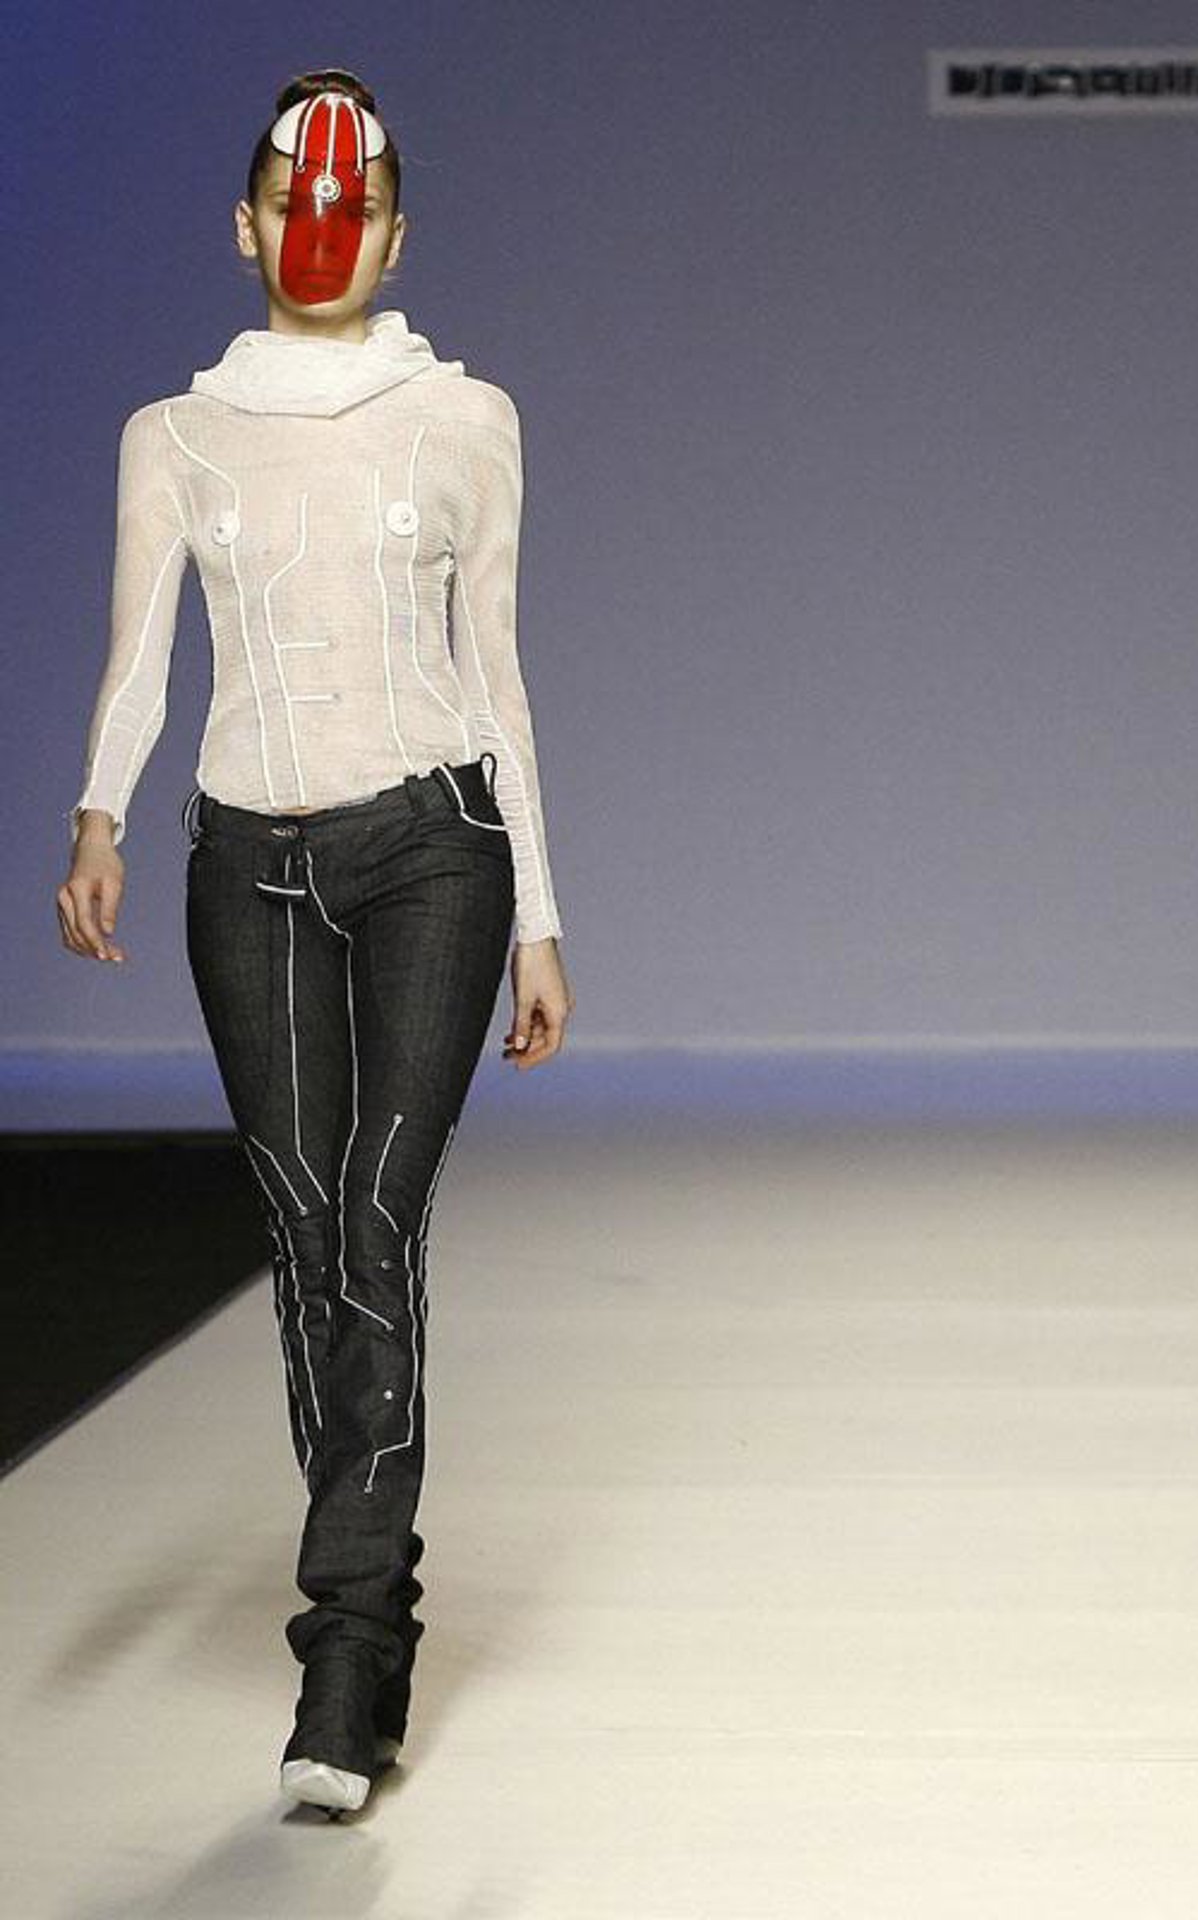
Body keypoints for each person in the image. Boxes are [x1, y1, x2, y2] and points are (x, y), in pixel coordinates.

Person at [55, 69, 572, 1814]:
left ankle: (350, 1647)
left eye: (353, 207)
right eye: (297, 201)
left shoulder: (469, 417)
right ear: (249, 225)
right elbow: (141, 650)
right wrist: (100, 814)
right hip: (245, 863)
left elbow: (497, 671)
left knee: (374, 1213)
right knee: (301, 1226)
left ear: (395, 236)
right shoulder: (174, 436)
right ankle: (361, 1601)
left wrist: (544, 913)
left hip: (435, 851)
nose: (325, 230)